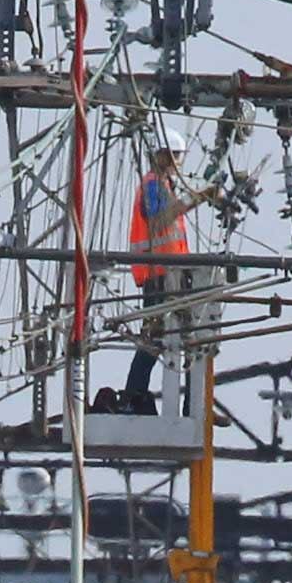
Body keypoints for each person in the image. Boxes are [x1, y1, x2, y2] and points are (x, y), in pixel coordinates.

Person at [117, 130, 213, 417]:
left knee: (185, 336)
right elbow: (160, 221)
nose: (178, 164)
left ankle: (192, 402)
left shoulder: (162, 186)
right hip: (158, 273)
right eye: (176, 157)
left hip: (171, 273)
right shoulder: (153, 186)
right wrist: (198, 198)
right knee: (157, 336)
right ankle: (134, 397)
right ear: (163, 156)